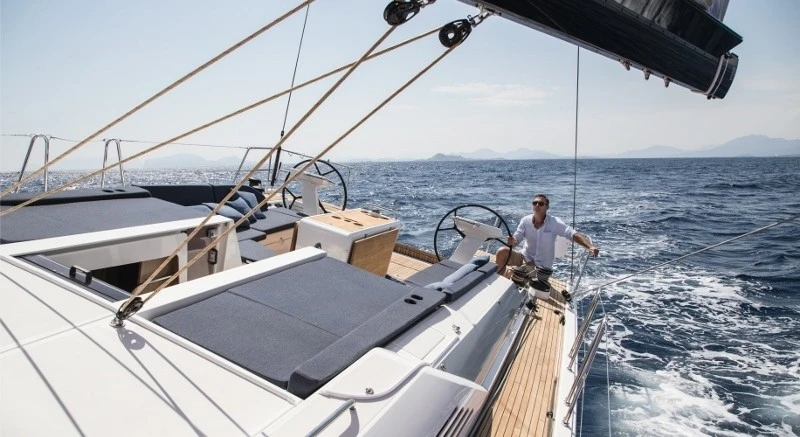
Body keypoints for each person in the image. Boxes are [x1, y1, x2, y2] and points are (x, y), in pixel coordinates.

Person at [495, 194, 599, 275]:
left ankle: (513, 273)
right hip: (525, 258)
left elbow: (572, 234)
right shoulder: (525, 220)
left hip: (542, 267)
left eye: (541, 203)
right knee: (502, 252)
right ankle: (500, 281)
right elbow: (517, 237)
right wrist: (513, 240)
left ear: (547, 207)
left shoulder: (554, 223)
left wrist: (589, 246)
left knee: (520, 273)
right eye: (535, 203)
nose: (537, 205)